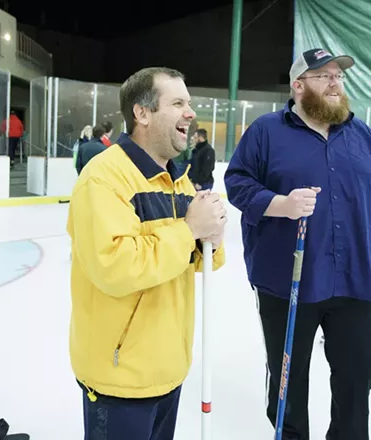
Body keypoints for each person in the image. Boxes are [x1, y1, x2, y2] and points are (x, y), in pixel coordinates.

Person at [224, 48, 371, 440]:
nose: (334, 83)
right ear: (298, 85)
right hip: (287, 282)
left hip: (356, 280)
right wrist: (281, 205)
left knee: (359, 374)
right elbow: (238, 184)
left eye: (338, 77)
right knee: (289, 380)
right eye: (323, 76)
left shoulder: (363, 136)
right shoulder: (266, 131)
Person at [66, 66, 227, 440]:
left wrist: (212, 237)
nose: (190, 112)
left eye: (189, 103)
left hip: (168, 368)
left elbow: (200, 258)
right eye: (177, 103)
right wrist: (189, 229)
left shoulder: (179, 178)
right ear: (142, 113)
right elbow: (116, 267)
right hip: (120, 378)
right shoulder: (103, 178)